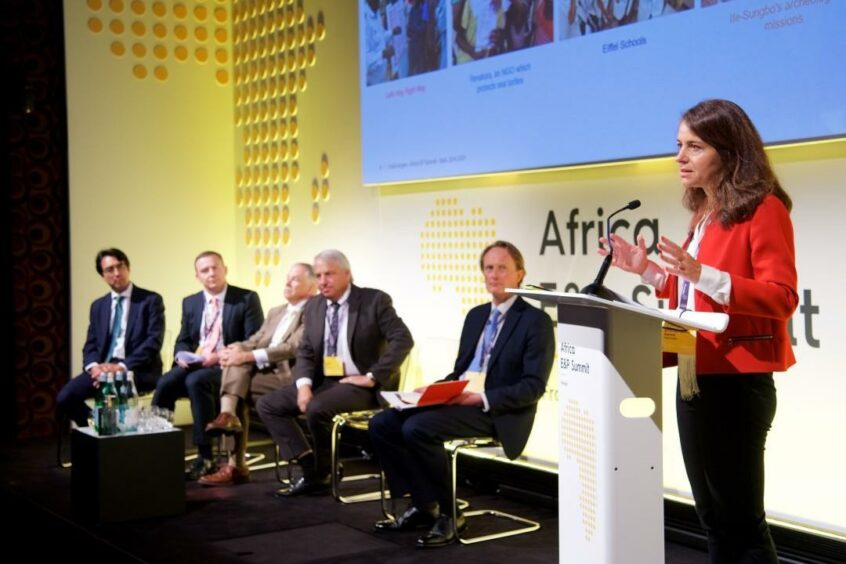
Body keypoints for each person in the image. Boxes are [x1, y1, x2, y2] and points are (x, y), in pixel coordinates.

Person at [598, 99, 797, 563]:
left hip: (735, 381)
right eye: (678, 145)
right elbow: (691, 296)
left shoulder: (764, 209)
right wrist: (645, 269)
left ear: (728, 152)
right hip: (692, 372)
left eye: (695, 146)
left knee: (742, 523)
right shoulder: (705, 213)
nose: (679, 157)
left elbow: (781, 297)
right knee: (712, 518)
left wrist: (701, 273)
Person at [369, 240, 555, 548]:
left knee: (418, 428)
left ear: (520, 274)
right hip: (458, 400)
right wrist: (431, 390)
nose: (494, 275)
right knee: (383, 424)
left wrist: (480, 398)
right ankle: (423, 502)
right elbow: (461, 373)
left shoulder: (535, 321)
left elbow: (533, 386)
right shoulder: (476, 315)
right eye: (488, 268)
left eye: (502, 268)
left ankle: (450, 513)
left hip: (496, 411)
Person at [256, 249, 414, 497]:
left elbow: (403, 340)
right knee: (269, 404)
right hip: (323, 382)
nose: (322, 281)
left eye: (329, 274)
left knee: (317, 408)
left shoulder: (374, 301)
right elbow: (306, 351)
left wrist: (372, 376)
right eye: (318, 275)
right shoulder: (315, 306)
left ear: (347, 274)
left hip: (361, 386)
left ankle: (321, 471)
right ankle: (313, 467)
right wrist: (304, 386)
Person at [198, 263, 318, 487]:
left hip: (291, 373)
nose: (287, 283)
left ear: (312, 287)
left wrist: (246, 356)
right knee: (236, 366)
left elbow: (293, 348)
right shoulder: (277, 311)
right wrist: (233, 349)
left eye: (294, 279)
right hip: (264, 371)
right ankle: (229, 425)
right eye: (287, 277)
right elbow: (254, 339)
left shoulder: (314, 311)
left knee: (234, 387)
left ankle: (235, 462)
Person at [152, 251, 264, 481]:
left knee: (196, 382)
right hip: (197, 362)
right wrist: (180, 355)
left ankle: (206, 457)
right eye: (205, 270)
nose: (211, 273)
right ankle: (158, 448)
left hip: (228, 365)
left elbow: (254, 339)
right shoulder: (191, 302)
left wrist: (219, 355)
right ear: (197, 276)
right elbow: (184, 337)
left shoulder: (246, 298)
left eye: (215, 268)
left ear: (225, 269)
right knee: (165, 383)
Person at [57, 248, 165, 428]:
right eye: (109, 270)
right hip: (103, 369)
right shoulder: (98, 306)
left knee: (113, 391)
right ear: (102, 276)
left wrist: (121, 367)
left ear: (127, 268)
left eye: (120, 266)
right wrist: (94, 367)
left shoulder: (150, 300)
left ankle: (111, 432)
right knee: (65, 397)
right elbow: (91, 344)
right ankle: (97, 425)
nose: (116, 273)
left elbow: (153, 342)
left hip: (137, 369)